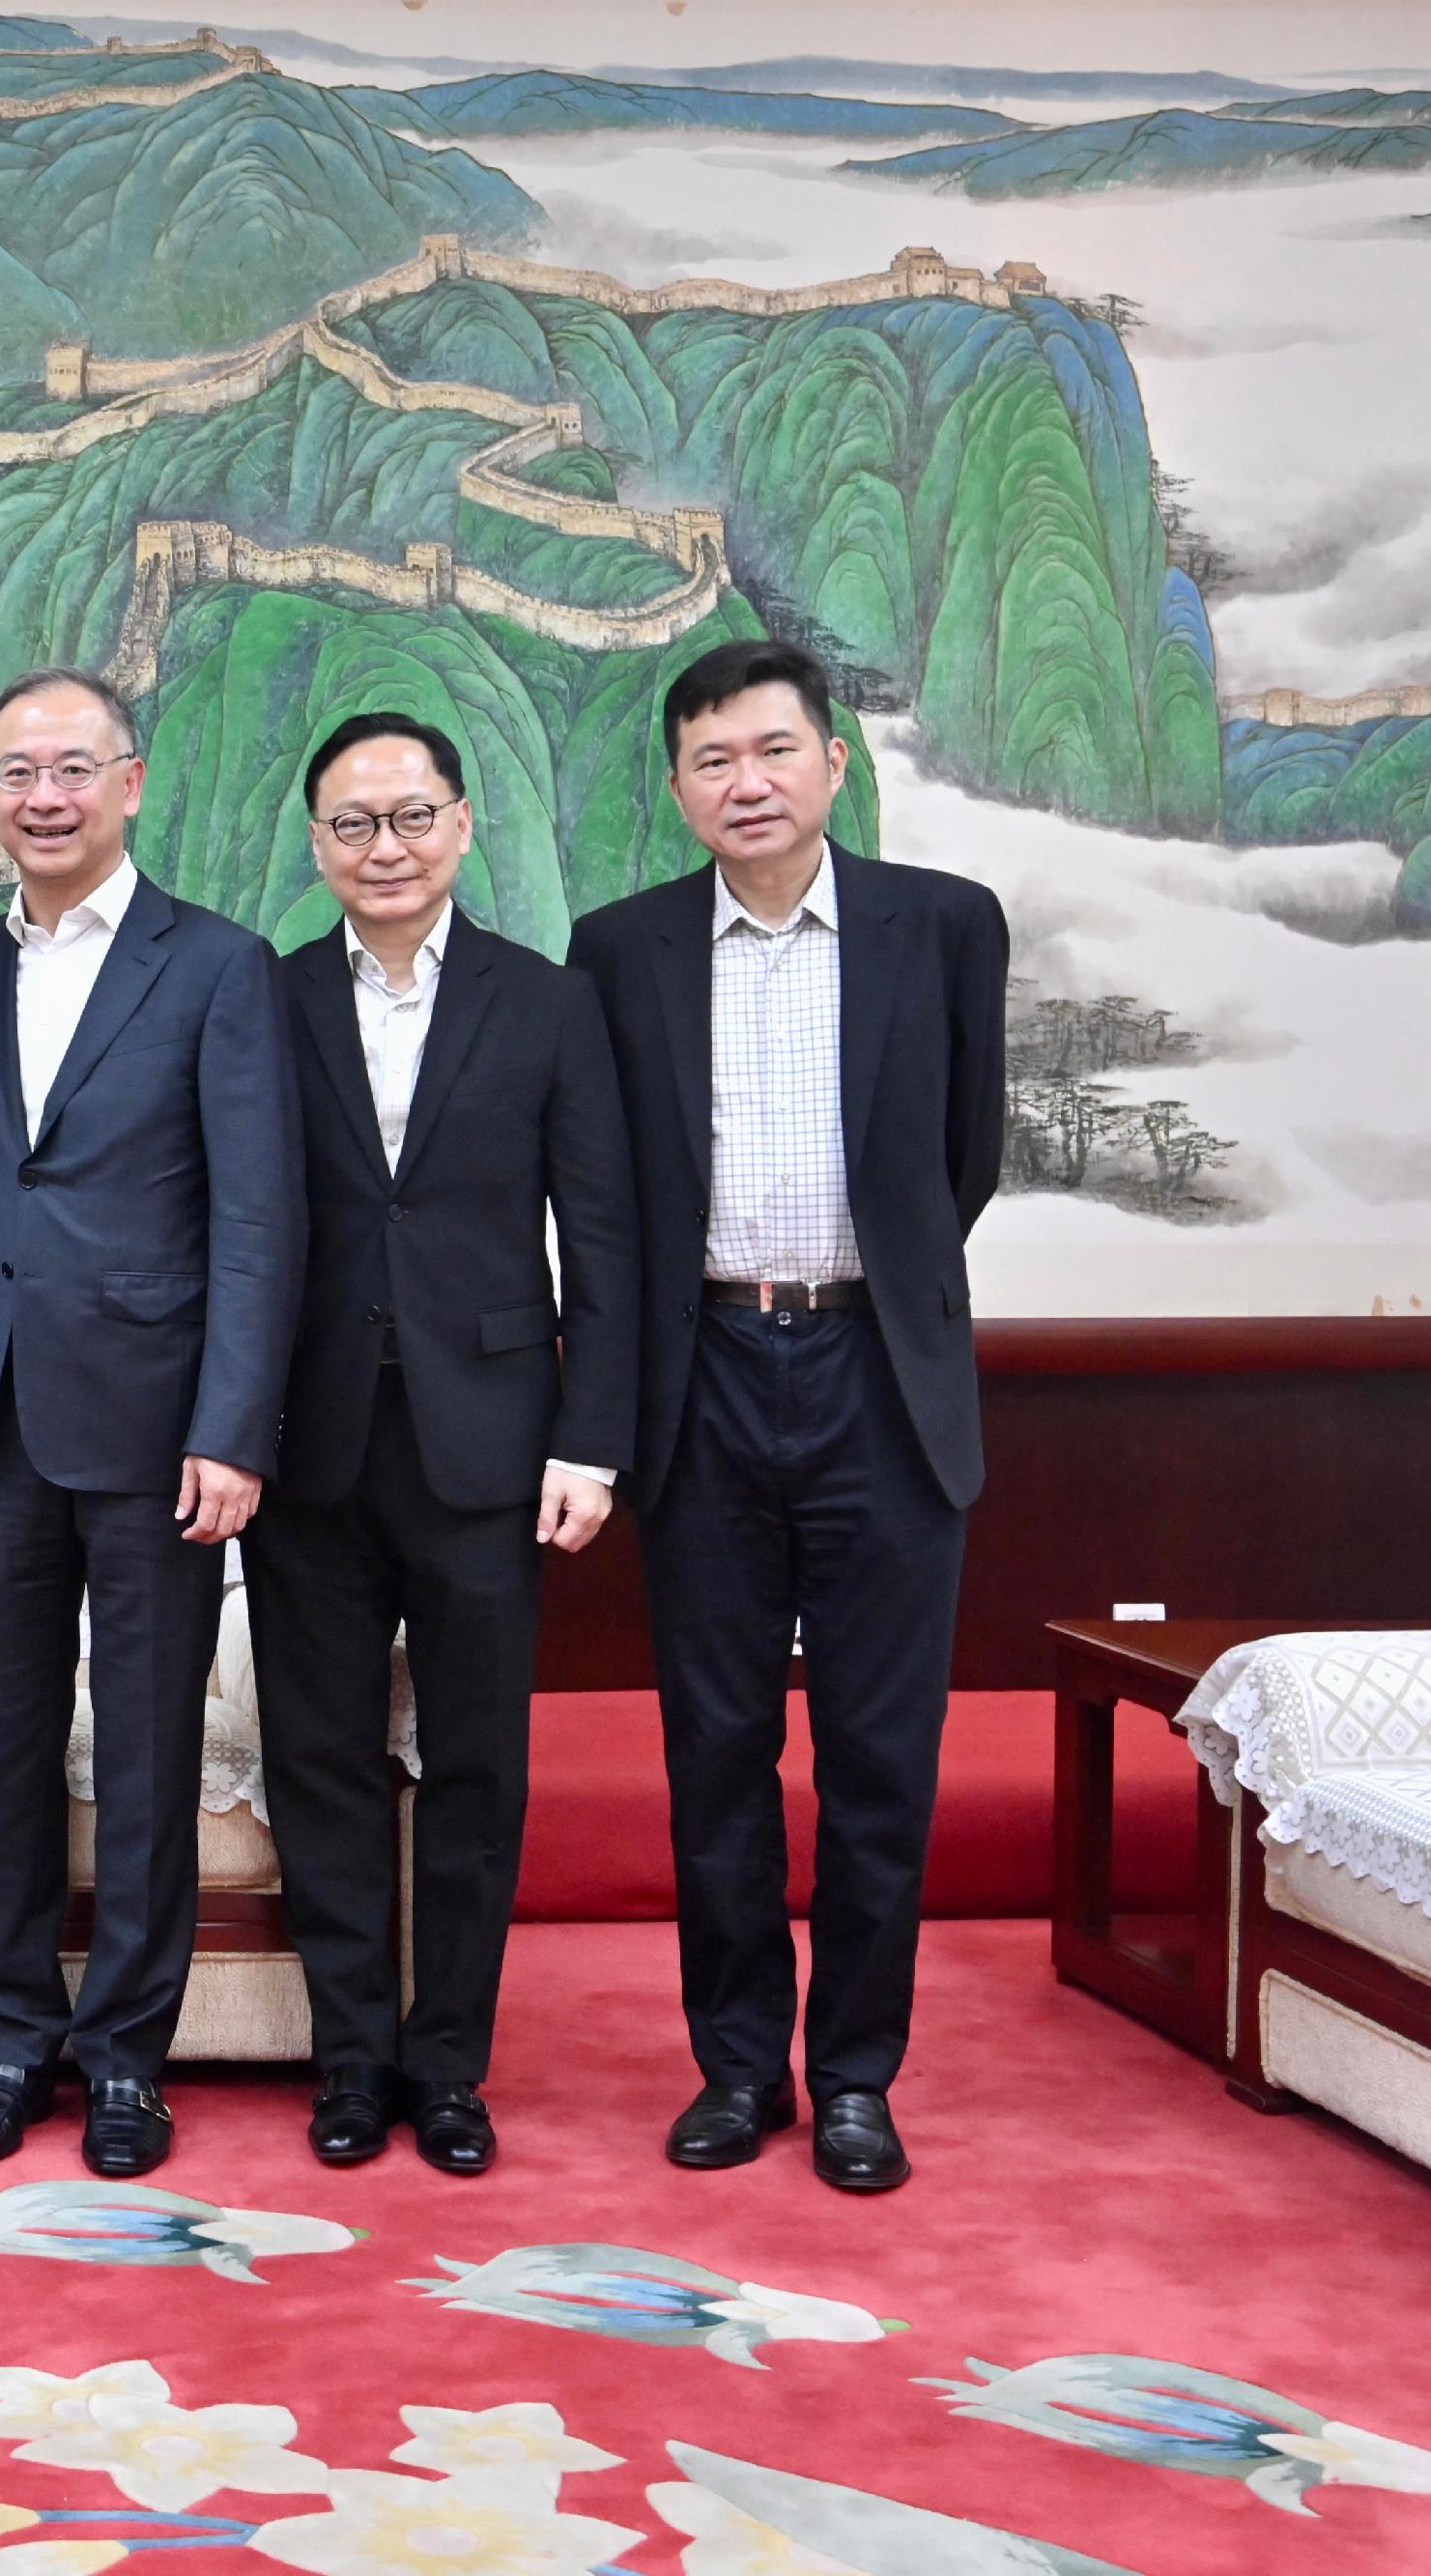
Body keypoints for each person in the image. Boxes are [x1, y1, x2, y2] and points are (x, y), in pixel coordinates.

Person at [568, 638, 1007, 2194]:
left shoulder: (942, 928)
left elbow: (964, 1161)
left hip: (881, 1382)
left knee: (883, 1759)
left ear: (831, 763)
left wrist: (867, 1298)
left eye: (771, 751)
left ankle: (857, 2079)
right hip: (703, 1378)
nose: (744, 782)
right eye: (711, 760)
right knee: (717, 1753)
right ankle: (741, 2065)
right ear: (678, 788)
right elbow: (611, 1207)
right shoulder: (617, 951)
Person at [0, 666, 303, 2178]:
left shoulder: (217, 965)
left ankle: (128, 2055)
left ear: (131, 782)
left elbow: (259, 1220)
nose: (46, 797)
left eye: (74, 768)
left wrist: (233, 1425)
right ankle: (8, 2039)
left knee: (147, 1754)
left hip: (159, 1434)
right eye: (17, 772)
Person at [242, 711, 639, 2176]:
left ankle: (452, 2066)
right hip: (310, 1444)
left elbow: (599, 1237)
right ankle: (351, 2060)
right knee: (322, 1760)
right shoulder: (264, 1000)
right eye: (353, 824)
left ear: (462, 826)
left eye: (410, 817)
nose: (385, 847)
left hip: (493, 1448)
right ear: (318, 843)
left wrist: (592, 1438)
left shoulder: (546, 1003)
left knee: (479, 1767)